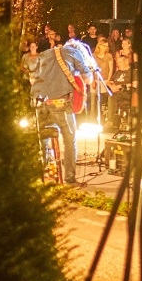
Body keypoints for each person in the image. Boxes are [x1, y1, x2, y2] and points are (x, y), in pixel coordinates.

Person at [30, 40, 93, 184]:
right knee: (70, 140)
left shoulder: (45, 54)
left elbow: (32, 78)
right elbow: (88, 79)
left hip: (40, 103)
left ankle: (41, 175)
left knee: (41, 140)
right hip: (60, 104)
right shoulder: (75, 52)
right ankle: (70, 179)